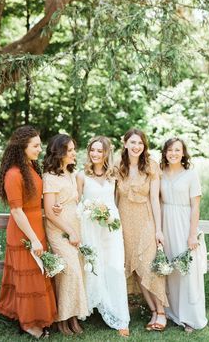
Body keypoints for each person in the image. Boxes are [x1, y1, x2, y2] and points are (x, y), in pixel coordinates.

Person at [0, 125, 57, 339]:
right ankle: (28, 323)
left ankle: (38, 318)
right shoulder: (13, 174)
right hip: (24, 233)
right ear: (23, 147)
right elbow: (16, 211)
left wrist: (50, 208)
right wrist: (33, 239)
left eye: (40, 145)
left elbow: (34, 199)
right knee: (27, 280)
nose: (40, 149)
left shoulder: (30, 168)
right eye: (36, 145)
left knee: (38, 276)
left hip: (36, 228)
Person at [76, 136, 130, 337]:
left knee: (115, 266)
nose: (96, 154)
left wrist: (109, 216)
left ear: (107, 153)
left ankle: (120, 316)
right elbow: (76, 202)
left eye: (100, 151)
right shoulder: (81, 175)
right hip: (90, 226)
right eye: (93, 150)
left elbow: (115, 201)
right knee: (93, 265)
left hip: (111, 227)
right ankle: (90, 308)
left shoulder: (113, 175)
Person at [115, 128, 168, 331]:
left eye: (140, 143)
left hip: (146, 222)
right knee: (136, 270)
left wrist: (158, 229)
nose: (137, 146)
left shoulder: (151, 167)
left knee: (148, 267)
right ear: (126, 144)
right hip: (124, 224)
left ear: (144, 146)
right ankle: (154, 311)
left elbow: (155, 200)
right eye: (133, 142)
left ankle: (161, 312)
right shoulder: (118, 167)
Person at [160, 137, 208, 332]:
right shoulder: (160, 173)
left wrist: (191, 235)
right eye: (170, 150)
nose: (173, 153)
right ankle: (172, 312)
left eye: (177, 150)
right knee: (170, 268)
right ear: (165, 152)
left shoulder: (191, 174)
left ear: (183, 153)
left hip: (184, 223)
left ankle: (191, 317)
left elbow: (195, 207)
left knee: (187, 270)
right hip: (165, 224)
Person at [43, 134, 88, 336]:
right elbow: (50, 212)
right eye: (69, 150)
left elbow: (74, 200)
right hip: (59, 229)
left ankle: (73, 317)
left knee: (77, 272)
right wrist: (69, 231)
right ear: (59, 152)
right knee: (69, 273)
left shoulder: (71, 173)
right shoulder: (49, 177)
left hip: (74, 225)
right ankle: (62, 319)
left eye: (73, 149)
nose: (73, 153)